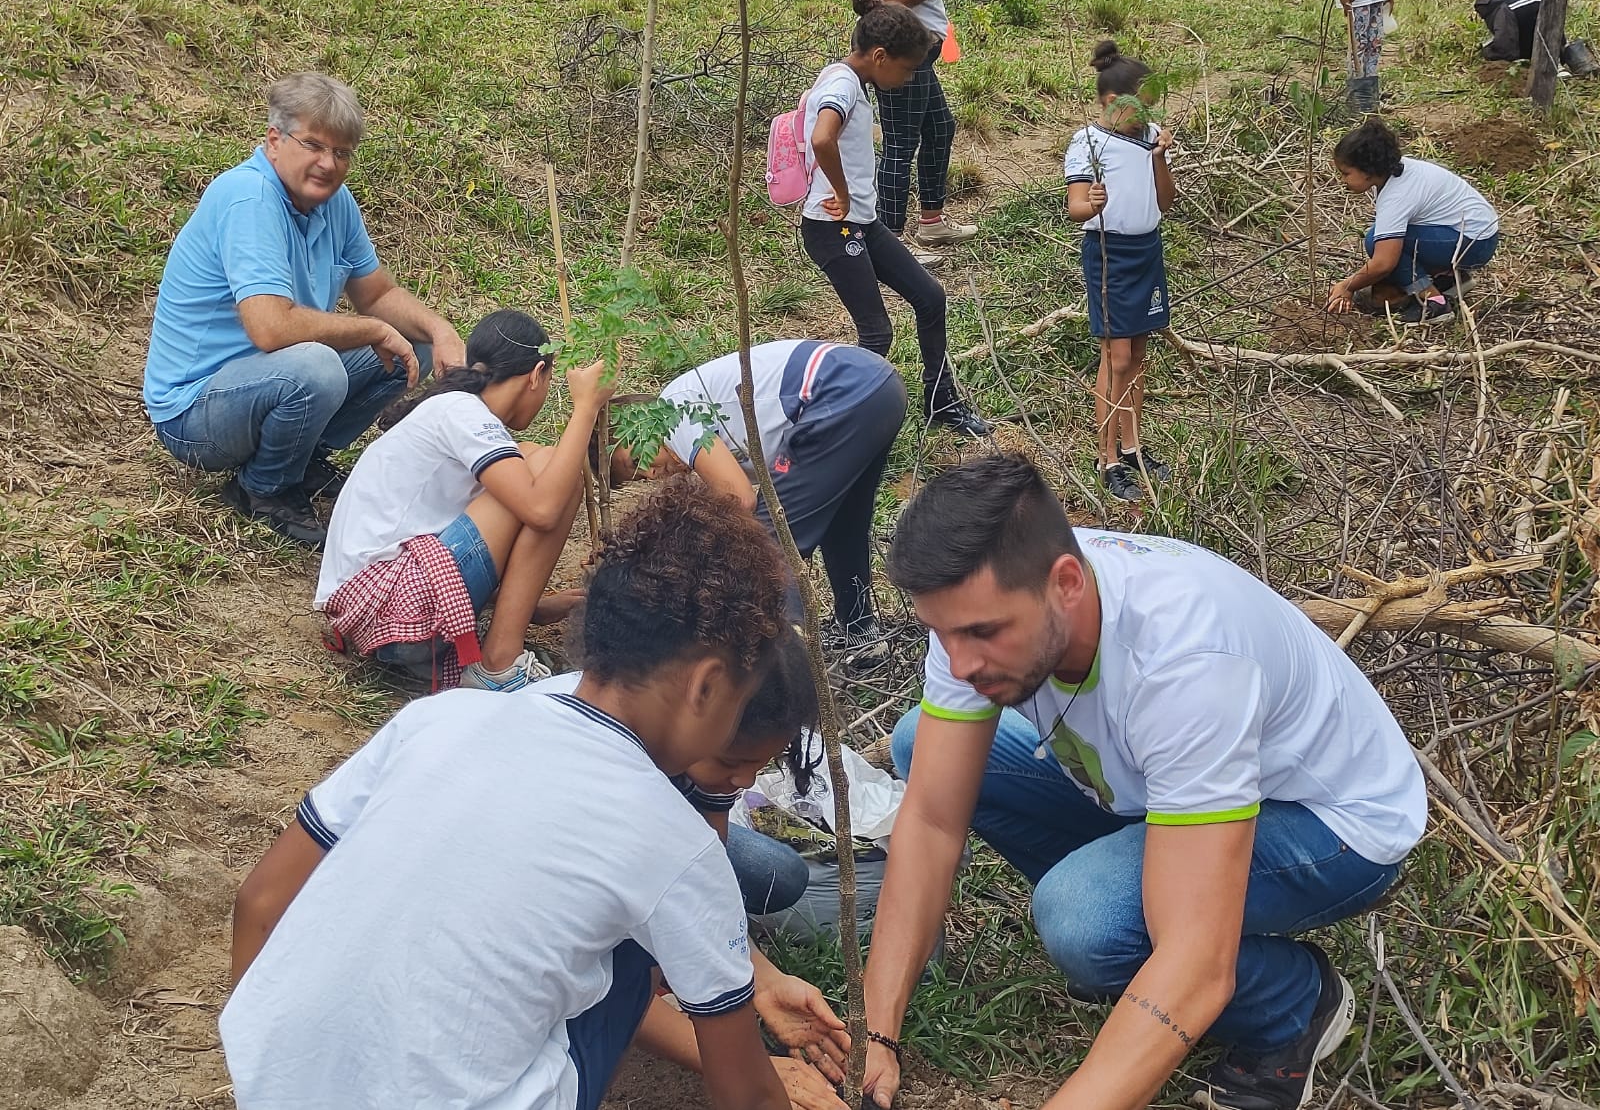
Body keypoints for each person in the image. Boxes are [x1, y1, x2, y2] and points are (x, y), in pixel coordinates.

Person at [859, 454, 1426, 1110]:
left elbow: (1195, 963)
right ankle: (1134, 927)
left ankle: (1295, 1001)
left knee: (1083, 918)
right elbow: (931, 819)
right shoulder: (989, 598)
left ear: (1066, 582)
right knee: (917, 741)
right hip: (1174, 786)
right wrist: (878, 1031)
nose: (960, 663)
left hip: (1331, 822)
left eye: (983, 633)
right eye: (943, 634)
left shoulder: (1184, 660)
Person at [222, 478, 802, 1110]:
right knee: (633, 953)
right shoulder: (675, 845)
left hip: (269, 1080)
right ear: (708, 685)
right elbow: (746, 1094)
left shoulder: (438, 720)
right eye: (739, 704)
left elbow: (260, 900)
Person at [143, 72, 468, 549]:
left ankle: (302, 455)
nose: (327, 163)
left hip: (259, 383)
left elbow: (376, 294)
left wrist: (440, 329)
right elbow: (271, 328)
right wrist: (371, 329)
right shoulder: (249, 198)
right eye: (314, 145)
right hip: (194, 413)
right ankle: (263, 488)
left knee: (412, 342)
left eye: (341, 152)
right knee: (316, 366)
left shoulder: (335, 204)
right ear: (275, 141)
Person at [528, 637, 853, 1110]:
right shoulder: (621, 817)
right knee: (641, 945)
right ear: (699, 702)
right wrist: (748, 1066)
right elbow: (592, 972)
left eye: (760, 766)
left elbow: (707, 886)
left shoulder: (681, 740)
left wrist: (758, 975)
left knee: (775, 874)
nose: (745, 783)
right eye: (733, 763)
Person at [314, 309, 609, 692]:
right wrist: (585, 408)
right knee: (551, 471)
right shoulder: (464, 414)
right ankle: (500, 662)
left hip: (376, 609)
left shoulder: (454, 410)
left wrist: (530, 606)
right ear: (537, 374)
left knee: (533, 459)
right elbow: (541, 509)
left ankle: (499, 642)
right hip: (391, 607)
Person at [601, 340, 909, 672]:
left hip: (838, 392)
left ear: (638, 421)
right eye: (638, 476)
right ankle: (861, 632)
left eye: (635, 458)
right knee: (843, 521)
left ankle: (789, 675)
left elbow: (739, 498)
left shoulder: (672, 412)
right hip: (876, 386)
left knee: (765, 546)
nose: (649, 471)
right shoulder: (689, 412)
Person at [801, 0, 992, 438]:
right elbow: (822, 138)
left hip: (862, 225)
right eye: (907, 69)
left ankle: (941, 402)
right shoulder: (844, 85)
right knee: (877, 333)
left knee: (930, 297)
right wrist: (843, 194)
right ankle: (836, 426)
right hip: (834, 227)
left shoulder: (845, 78)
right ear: (881, 56)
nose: (908, 80)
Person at [1064, 41, 1176, 504]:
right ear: (1113, 102)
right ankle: (1105, 457)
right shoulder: (1088, 143)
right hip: (1110, 254)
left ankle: (1131, 446)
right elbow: (1074, 207)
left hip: (1147, 251)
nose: (1147, 117)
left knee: (1139, 355)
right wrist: (1090, 202)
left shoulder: (1148, 138)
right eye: (1141, 108)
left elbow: (1165, 203)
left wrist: (1158, 158)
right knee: (1117, 357)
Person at [836, 0, 983, 261]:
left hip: (910, 48)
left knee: (939, 128)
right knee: (900, 144)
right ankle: (891, 244)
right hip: (903, 51)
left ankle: (931, 222)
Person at [1327, 117, 1500, 327]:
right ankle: (1451, 279)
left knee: (1376, 241)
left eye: (1346, 173)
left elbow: (1383, 263)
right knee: (1388, 238)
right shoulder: (1402, 170)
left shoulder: (1396, 195)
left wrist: (1348, 286)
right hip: (1477, 234)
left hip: (1474, 243)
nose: (1342, 181)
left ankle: (1433, 302)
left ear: (1369, 169)